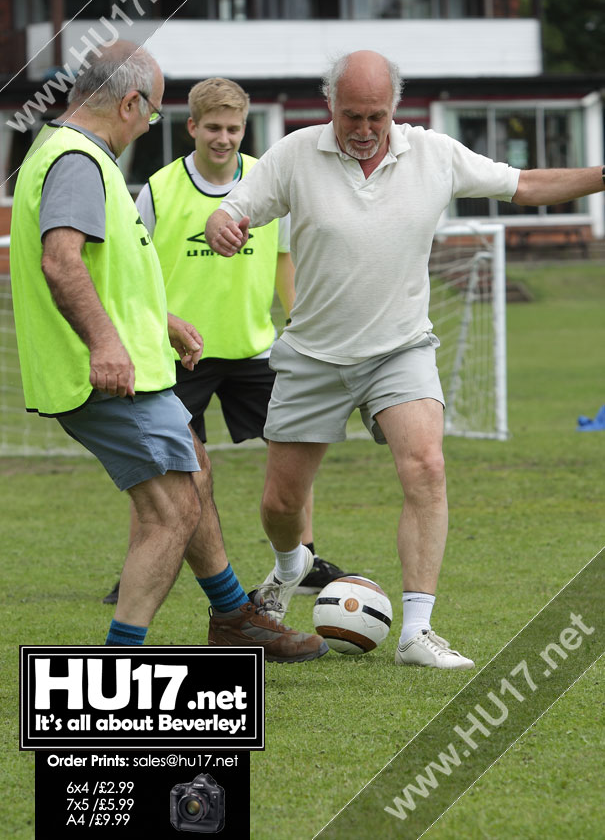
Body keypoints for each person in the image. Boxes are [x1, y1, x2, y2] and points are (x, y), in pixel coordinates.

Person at [205, 49, 605, 670]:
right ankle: (291, 568)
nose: (365, 130)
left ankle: (417, 632)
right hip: (312, 353)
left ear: (397, 109)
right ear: (328, 106)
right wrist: (221, 224)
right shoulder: (292, 155)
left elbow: (523, 185)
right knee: (281, 505)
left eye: (378, 116)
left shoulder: (434, 154)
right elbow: (233, 208)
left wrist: (601, 175)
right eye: (352, 116)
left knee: (426, 467)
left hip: (401, 349)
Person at [9, 40, 327, 662]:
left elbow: (109, 271)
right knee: (173, 510)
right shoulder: (79, 160)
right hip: (101, 374)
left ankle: (235, 616)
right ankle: (117, 663)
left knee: (193, 478)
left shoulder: (64, 150)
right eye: (150, 113)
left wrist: (163, 321)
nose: (147, 124)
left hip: (129, 364)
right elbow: (61, 261)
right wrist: (106, 343)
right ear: (129, 101)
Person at [102, 76, 346, 606]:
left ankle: (304, 558)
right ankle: (134, 568)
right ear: (191, 127)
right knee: (160, 463)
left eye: (233, 128)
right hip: (178, 354)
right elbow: (134, 270)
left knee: (294, 449)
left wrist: (300, 321)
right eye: (213, 127)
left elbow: (285, 260)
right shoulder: (159, 189)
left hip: (255, 348)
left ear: (244, 129)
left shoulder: (266, 180)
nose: (224, 137)